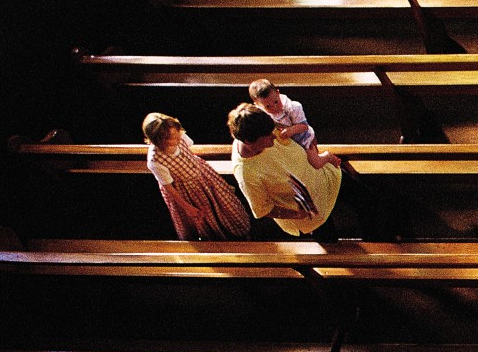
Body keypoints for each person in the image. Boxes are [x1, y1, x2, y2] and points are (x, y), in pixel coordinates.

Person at [228, 102, 397, 239]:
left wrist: (310, 141)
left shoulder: (259, 124)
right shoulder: (246, 172)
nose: (274, 136)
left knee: (369, 203)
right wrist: (296, 214)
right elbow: (263, 209)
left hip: (322, 175)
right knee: (330, 247)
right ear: (249, 142)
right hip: (306, 207)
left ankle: (375, 247)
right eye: (268, 137)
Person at [141, 112, 251, 241]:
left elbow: (187, 146)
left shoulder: (177, 135)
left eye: (177, 134)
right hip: (186, 189)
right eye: (172, 138)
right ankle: (216, 241)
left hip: (202, 175)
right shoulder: (156, 160)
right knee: (206, 217)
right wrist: (188, 207)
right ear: (158, 140)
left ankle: (240, 233)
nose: (178, 139)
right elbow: (169, 188)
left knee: (226, 205)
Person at [247, 79, 330, 167]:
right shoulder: (261, 113)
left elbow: (304, 126)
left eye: (276, 102)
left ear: (278, 93)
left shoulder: (293, 107)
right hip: (288, 144)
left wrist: (291, 130)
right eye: (268, 106)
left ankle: (328, 157)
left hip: (304, 139)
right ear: (257, 104)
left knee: (315, 163)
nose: (274, 107)